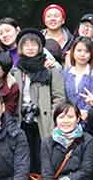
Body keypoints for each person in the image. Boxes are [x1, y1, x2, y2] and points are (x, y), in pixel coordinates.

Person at [10, 29, 65, 168]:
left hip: (44, 120)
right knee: (24, 157)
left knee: (43, 157)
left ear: (40, 47)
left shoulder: (50, 69)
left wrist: (52, 117)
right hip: (22, 119)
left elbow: (59, 98)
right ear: (20, 48)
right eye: (26, 45)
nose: (30, 48)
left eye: (33, 44)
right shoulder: (16, 71)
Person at [63, 36, 93, 120]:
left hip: (89, 118)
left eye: (86, 51)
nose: (82, 54)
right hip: (68, 118)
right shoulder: (66, 73)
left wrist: (85, 111)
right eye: (79, 50)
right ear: (73, 52)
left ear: (91, 54)